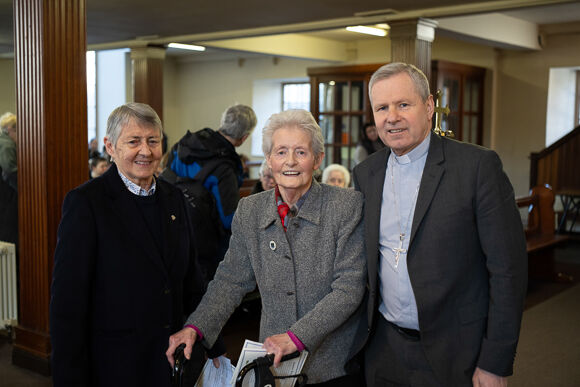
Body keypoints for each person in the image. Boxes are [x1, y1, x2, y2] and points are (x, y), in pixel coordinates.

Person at [348, 62, 528, 387]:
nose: (392, 117)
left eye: (404, 104)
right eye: (382, 108)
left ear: (429, 106)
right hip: (383, 349)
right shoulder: (366, 174)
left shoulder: (476, 168)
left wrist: (495, 362)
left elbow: (507, 272)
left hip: (457, 352)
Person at [166, 109, 366, 386]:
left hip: (333, 366)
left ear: (318, 159)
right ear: (269, 159)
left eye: (301, 152)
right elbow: (230, 279)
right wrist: (196, 327)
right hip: (273, 367)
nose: (290, 162)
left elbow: (349, 289)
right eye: (281, 152)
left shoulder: (346, 206)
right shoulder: (251, 209)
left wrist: (296, 337)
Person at [50, 103, 223, 387]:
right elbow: (68, 305)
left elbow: (191, 280)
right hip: (115, 366)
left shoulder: (174, 198)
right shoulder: (86, 204)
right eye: (134, 141)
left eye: (153, 141)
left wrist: (213, 344)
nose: (146, 150)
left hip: (171, 360)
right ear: (110, 146)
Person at [161, 104, 256, 284]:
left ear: (222, 123)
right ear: (244, 137)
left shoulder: (184, 145)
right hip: (203, 249)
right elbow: (229, 219)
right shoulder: (224, 168)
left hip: (171, 234)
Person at [0, 112, 17, 190]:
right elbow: (10, 170)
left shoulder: (3, 141)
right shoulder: (7, 145)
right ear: (10, 129)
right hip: (8, 191)